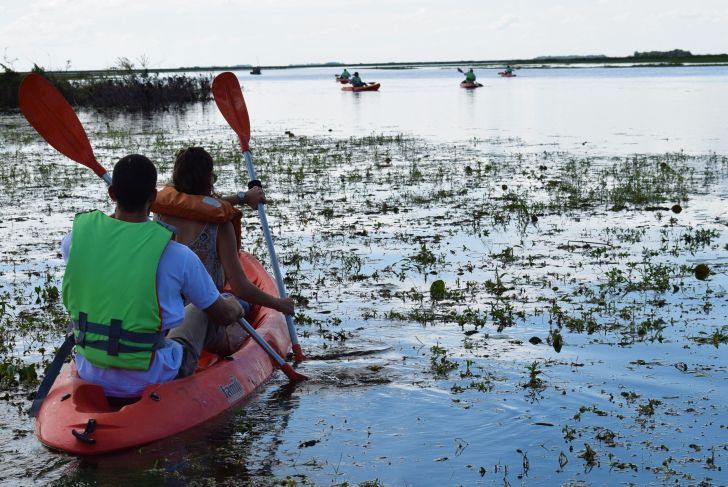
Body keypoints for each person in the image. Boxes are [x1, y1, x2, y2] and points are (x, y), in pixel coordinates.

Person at [61, 154, 245, 399]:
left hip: (90, 371)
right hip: (153, 375)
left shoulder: (74, 241)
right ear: (154, 198)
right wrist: (235, 307)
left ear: (112, 193)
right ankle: (239, 346)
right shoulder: (177, 254)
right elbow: (221, 315)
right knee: (201, 309)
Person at [153, 147, 294, 324]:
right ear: (208, 180)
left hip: (166, 306)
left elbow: (193, 206)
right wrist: (279, 304)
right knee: (243, 304)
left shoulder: (159, 214)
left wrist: (242, 197)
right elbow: (241, 287)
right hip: (208, 309)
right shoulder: (219, 225)